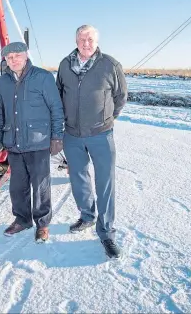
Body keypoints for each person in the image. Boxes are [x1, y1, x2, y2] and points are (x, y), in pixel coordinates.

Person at [55, 24, 128, 259]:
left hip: (101, 135)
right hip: (72, 135)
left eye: (90, 39)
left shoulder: (110, 65)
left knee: (105, 183)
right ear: (75, 40)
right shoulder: (65, 65)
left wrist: (107, 118)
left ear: (97, 41)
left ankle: (106, 232)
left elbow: (120, 97)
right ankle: (87, 216)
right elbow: (59, 94)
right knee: (78, 178)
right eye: (81, 38)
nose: (86, 43)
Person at [0, 42, 64, 243]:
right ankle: (22, 219)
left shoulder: (42, 77)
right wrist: (1, 136)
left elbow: (56, 108)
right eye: (9, 57)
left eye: (17, 55)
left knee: (40, 185)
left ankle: (42, 224)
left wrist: (57, 137)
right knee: (18, 186)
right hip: (14, 142)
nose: (13, 60)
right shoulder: (2, 82)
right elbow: (1, 112)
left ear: (26, 56)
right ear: (5, 61)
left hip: (38, 141)